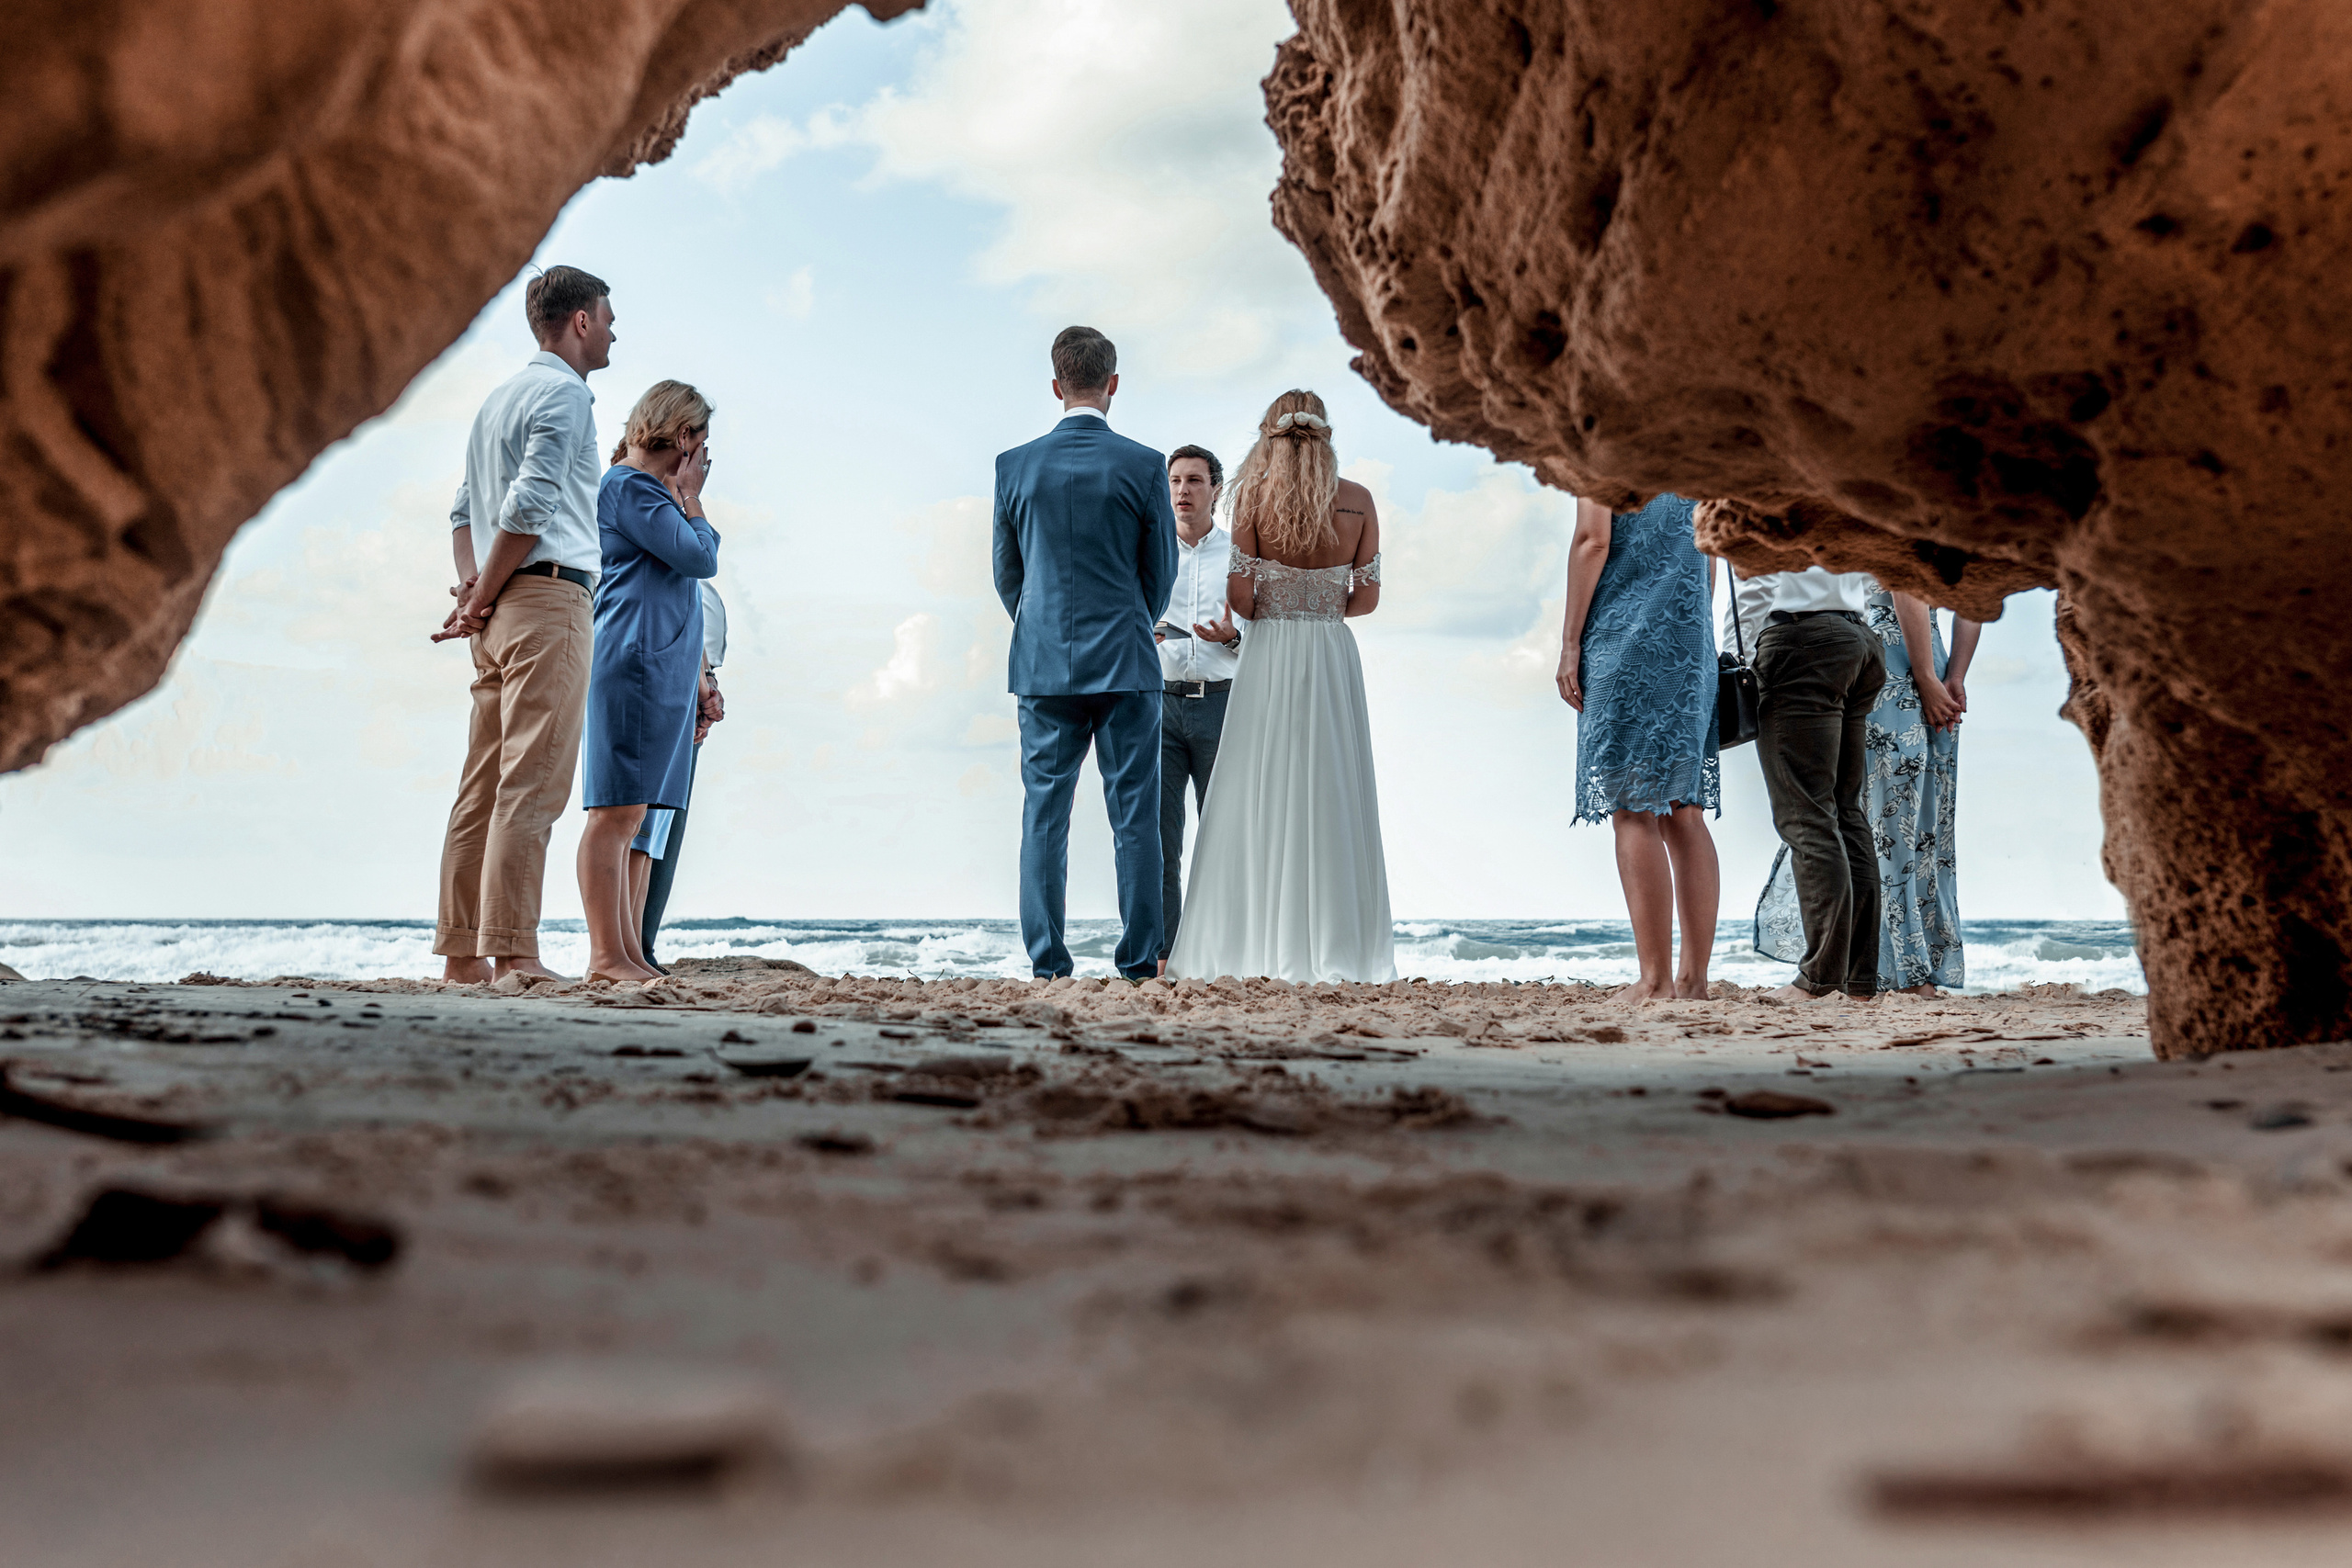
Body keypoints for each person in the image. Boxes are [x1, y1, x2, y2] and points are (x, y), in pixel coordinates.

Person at [1166, 390, 1395, 984]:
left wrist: (1278, 604)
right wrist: (1319, 605)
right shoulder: (1359, 501)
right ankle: (1337, 946)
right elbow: (1366, 599)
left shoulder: (1253, 498)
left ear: (1270, 437)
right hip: (1329, 652)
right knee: (1331, 788)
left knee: (1259, 787)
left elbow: (1241, 599)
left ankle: (1257, 944)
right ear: (1326, 435)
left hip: (1269, 652)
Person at [430, 265, 614, 984]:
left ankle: (463, 957)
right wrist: (480, 592)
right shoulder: (565, 395)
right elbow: (531, 506)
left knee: (482, 783)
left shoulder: (497, 399)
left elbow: (463, 511)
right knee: (531, 782)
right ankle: (515, 954)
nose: (613, 333)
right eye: (607, 319)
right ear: (581, 321)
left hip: (499, 608)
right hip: (546, 599)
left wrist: (475, 589)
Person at [992, 326, 1178, 981]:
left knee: (1044, 817)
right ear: (1113, 384)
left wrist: (1043, 626)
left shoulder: (1013, 466)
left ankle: (1049, 965)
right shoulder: (1144, 464)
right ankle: (1139, 963)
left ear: (1056, 385)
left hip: (1043, 664)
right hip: (1126, 659)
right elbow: (1160, 571)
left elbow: (1007, 575)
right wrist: (1132, 621)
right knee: (1136, 820)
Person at [1756, 583, 1982, 993]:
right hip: (1928, 656)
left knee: (1878, 819)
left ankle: (1895, 972)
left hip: (1895, 659)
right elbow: (1976, 599)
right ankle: (1900, 968)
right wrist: (1954, 675)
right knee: (1920, 821)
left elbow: (1905, 584)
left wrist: (1925, 678)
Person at [578, 381, 720, 984]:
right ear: (684, 436)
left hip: (659, 664)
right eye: (703, 442)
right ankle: (606, 956)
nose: (705, 456)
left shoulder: (648, 492)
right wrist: (692, 499)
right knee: (615, 813)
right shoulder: (631, 487)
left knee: (634, 815)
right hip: (633, 660)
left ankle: (628, 952)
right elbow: (700, 558)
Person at [1555, 493, 1721, 1001]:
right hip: (1691, 640)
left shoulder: (1601, 456)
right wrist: (1690, 622)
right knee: (1684, 813)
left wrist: (1569, 643)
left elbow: (1593, 541)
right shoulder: (1704, 457)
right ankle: (1692, 981)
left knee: (1632, 811)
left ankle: (1654, 982)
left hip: (1626, 635)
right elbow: (1711, 551)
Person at [1734, 563, 1886, 1002]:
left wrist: (1736, 657)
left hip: (1801, 640)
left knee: (1806, 815)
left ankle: (1820, 980)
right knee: (1845, 811)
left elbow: (1756, 576)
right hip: (1857, 637)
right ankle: (1856, 981)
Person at [1155, 445, 1243, 976]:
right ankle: (1164, 954)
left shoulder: (1238, 555)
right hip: (1159, 706)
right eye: (1175, 481)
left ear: (1216, 488)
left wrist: (1232, 638)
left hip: (1222, 705)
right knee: (1161, 840)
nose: (1183, 490)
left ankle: (1220, 955)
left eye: (1194, 480)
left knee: (1222, 839)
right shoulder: (1148, 550)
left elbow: (1260, 635)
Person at [634, 580, 729, 973]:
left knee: (664, 829)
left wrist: (707, 686)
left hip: (694, 676)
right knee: (641, 826)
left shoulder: (694, 576)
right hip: (665, 673)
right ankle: (630, 947)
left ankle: (641, 945)